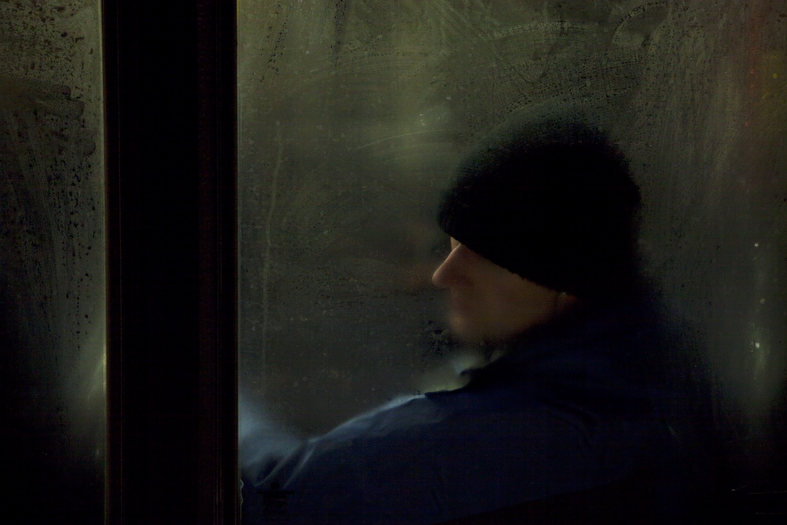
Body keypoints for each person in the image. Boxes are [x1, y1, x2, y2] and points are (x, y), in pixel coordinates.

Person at [240, 112, 711, 524]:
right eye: (453, 242)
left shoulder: (531, 434)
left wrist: (218, 394)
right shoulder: (653, 365)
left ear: (566, 279)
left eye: (483, 254)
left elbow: (277, 498)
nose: (444, 274)